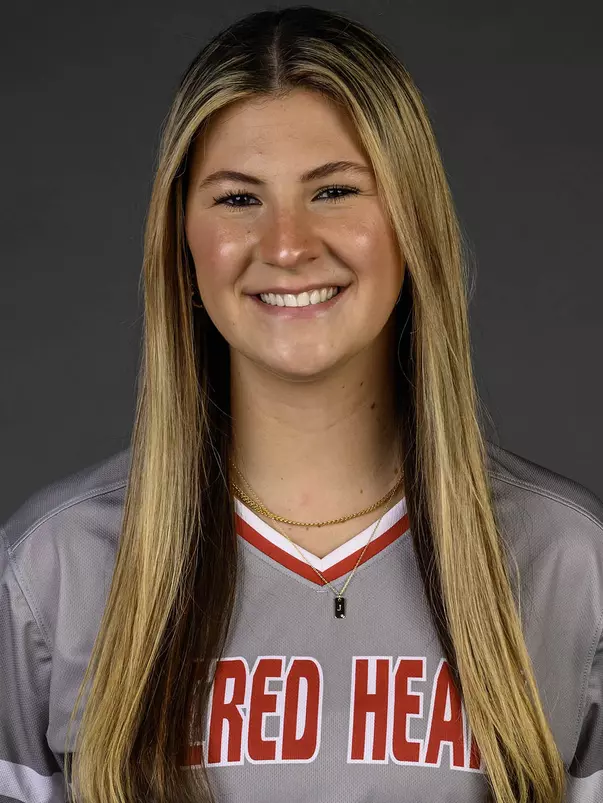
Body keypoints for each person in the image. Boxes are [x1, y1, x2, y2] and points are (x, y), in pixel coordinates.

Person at [1, 6, 601, 803]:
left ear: (412, 220)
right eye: (237, 199)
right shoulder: (53, 571)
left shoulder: (568, 564)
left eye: (334, 190)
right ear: (181, 239)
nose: (287, 245)